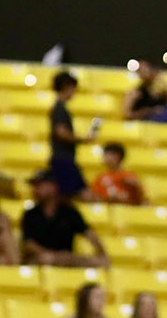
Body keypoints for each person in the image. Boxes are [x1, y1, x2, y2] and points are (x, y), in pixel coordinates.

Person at [22, 169, 106, 266]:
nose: (35, 189)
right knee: (44, 259)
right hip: (41, 259)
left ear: (53, 186)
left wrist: (102, 253)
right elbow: (28, 244)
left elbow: (89, 233)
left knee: (93, 262)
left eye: (39, 185)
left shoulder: (69, 212)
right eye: (34, 185)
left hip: (67, 260)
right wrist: (51, 255)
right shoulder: (31, 214)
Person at [43, 72, 92, 200]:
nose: (75, 92)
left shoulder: (59, 108)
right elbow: (61, 132)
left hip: (64, 159)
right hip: (63, 160)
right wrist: (82, 140)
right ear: (67, 86)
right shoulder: (59, 108)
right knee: (71, 194)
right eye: (73, 88)